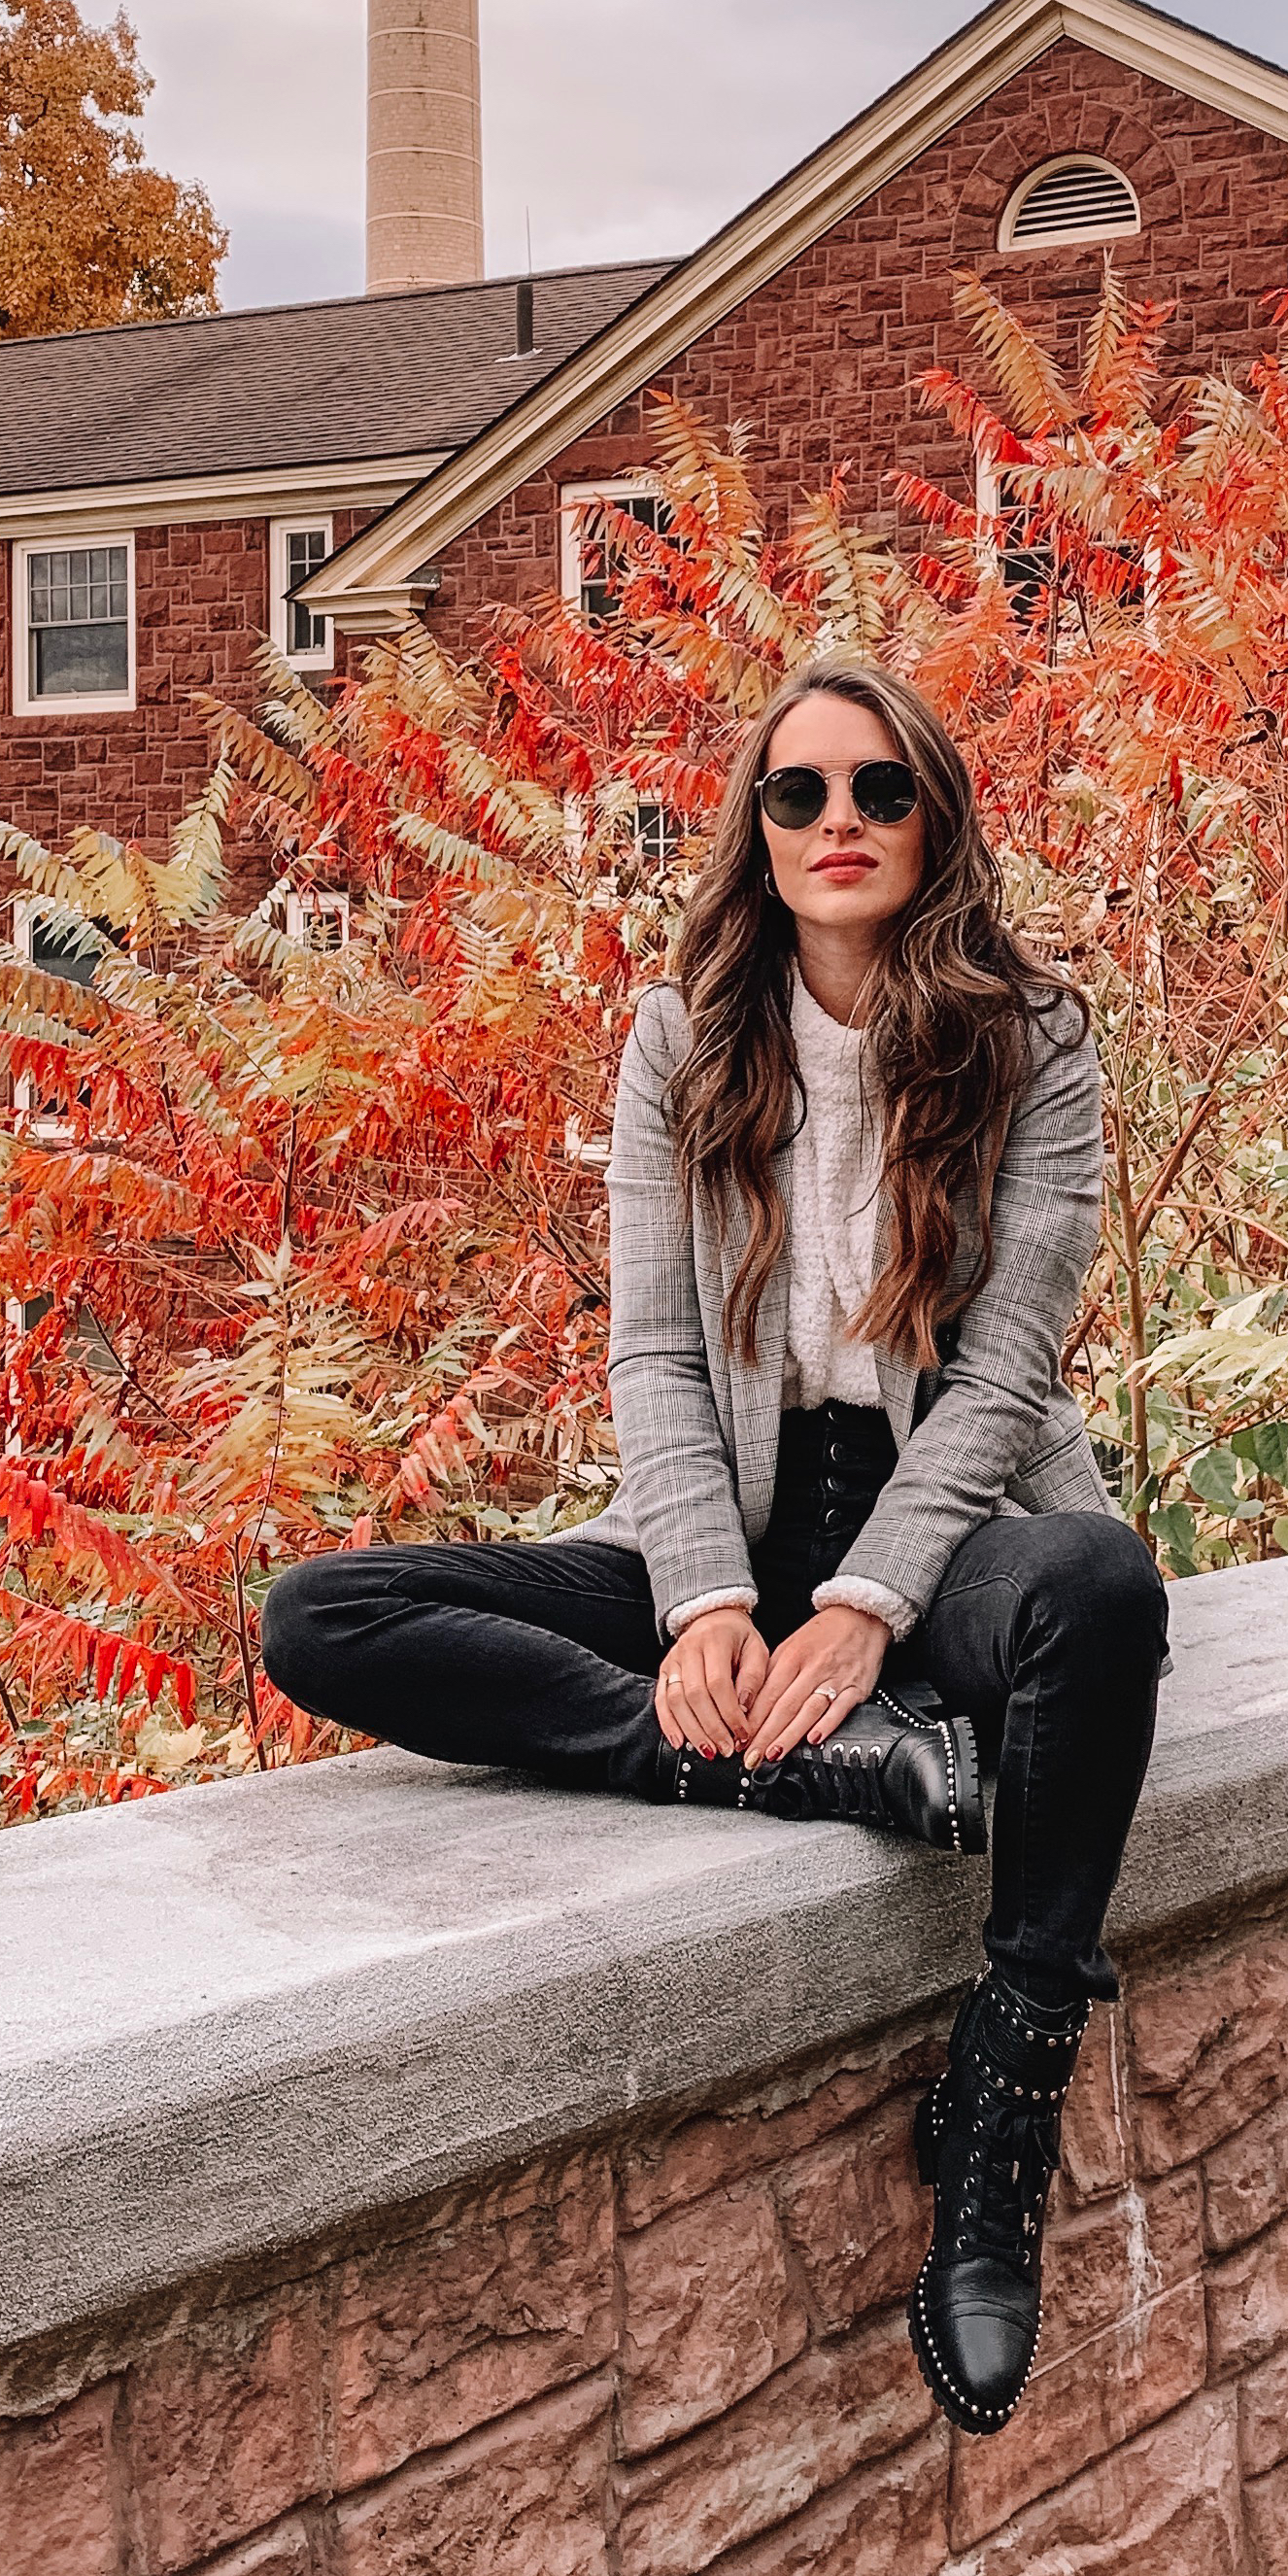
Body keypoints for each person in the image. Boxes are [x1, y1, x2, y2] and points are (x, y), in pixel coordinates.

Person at [262, 655, 1169, 2434]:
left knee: (1101, 1592)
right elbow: (655, 1352)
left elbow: (1004, 1378)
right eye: (798, 794)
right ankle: (768, 1779)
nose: (838, 824)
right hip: (731, 1525)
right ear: (754, 833)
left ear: (936, 818)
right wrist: (701, 1609)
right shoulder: (682, 1037)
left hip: (946, 1527)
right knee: (324, 1613)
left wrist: (861, 1613)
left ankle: (1006, 2097)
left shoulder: (1033, 1039)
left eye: (878, 791)